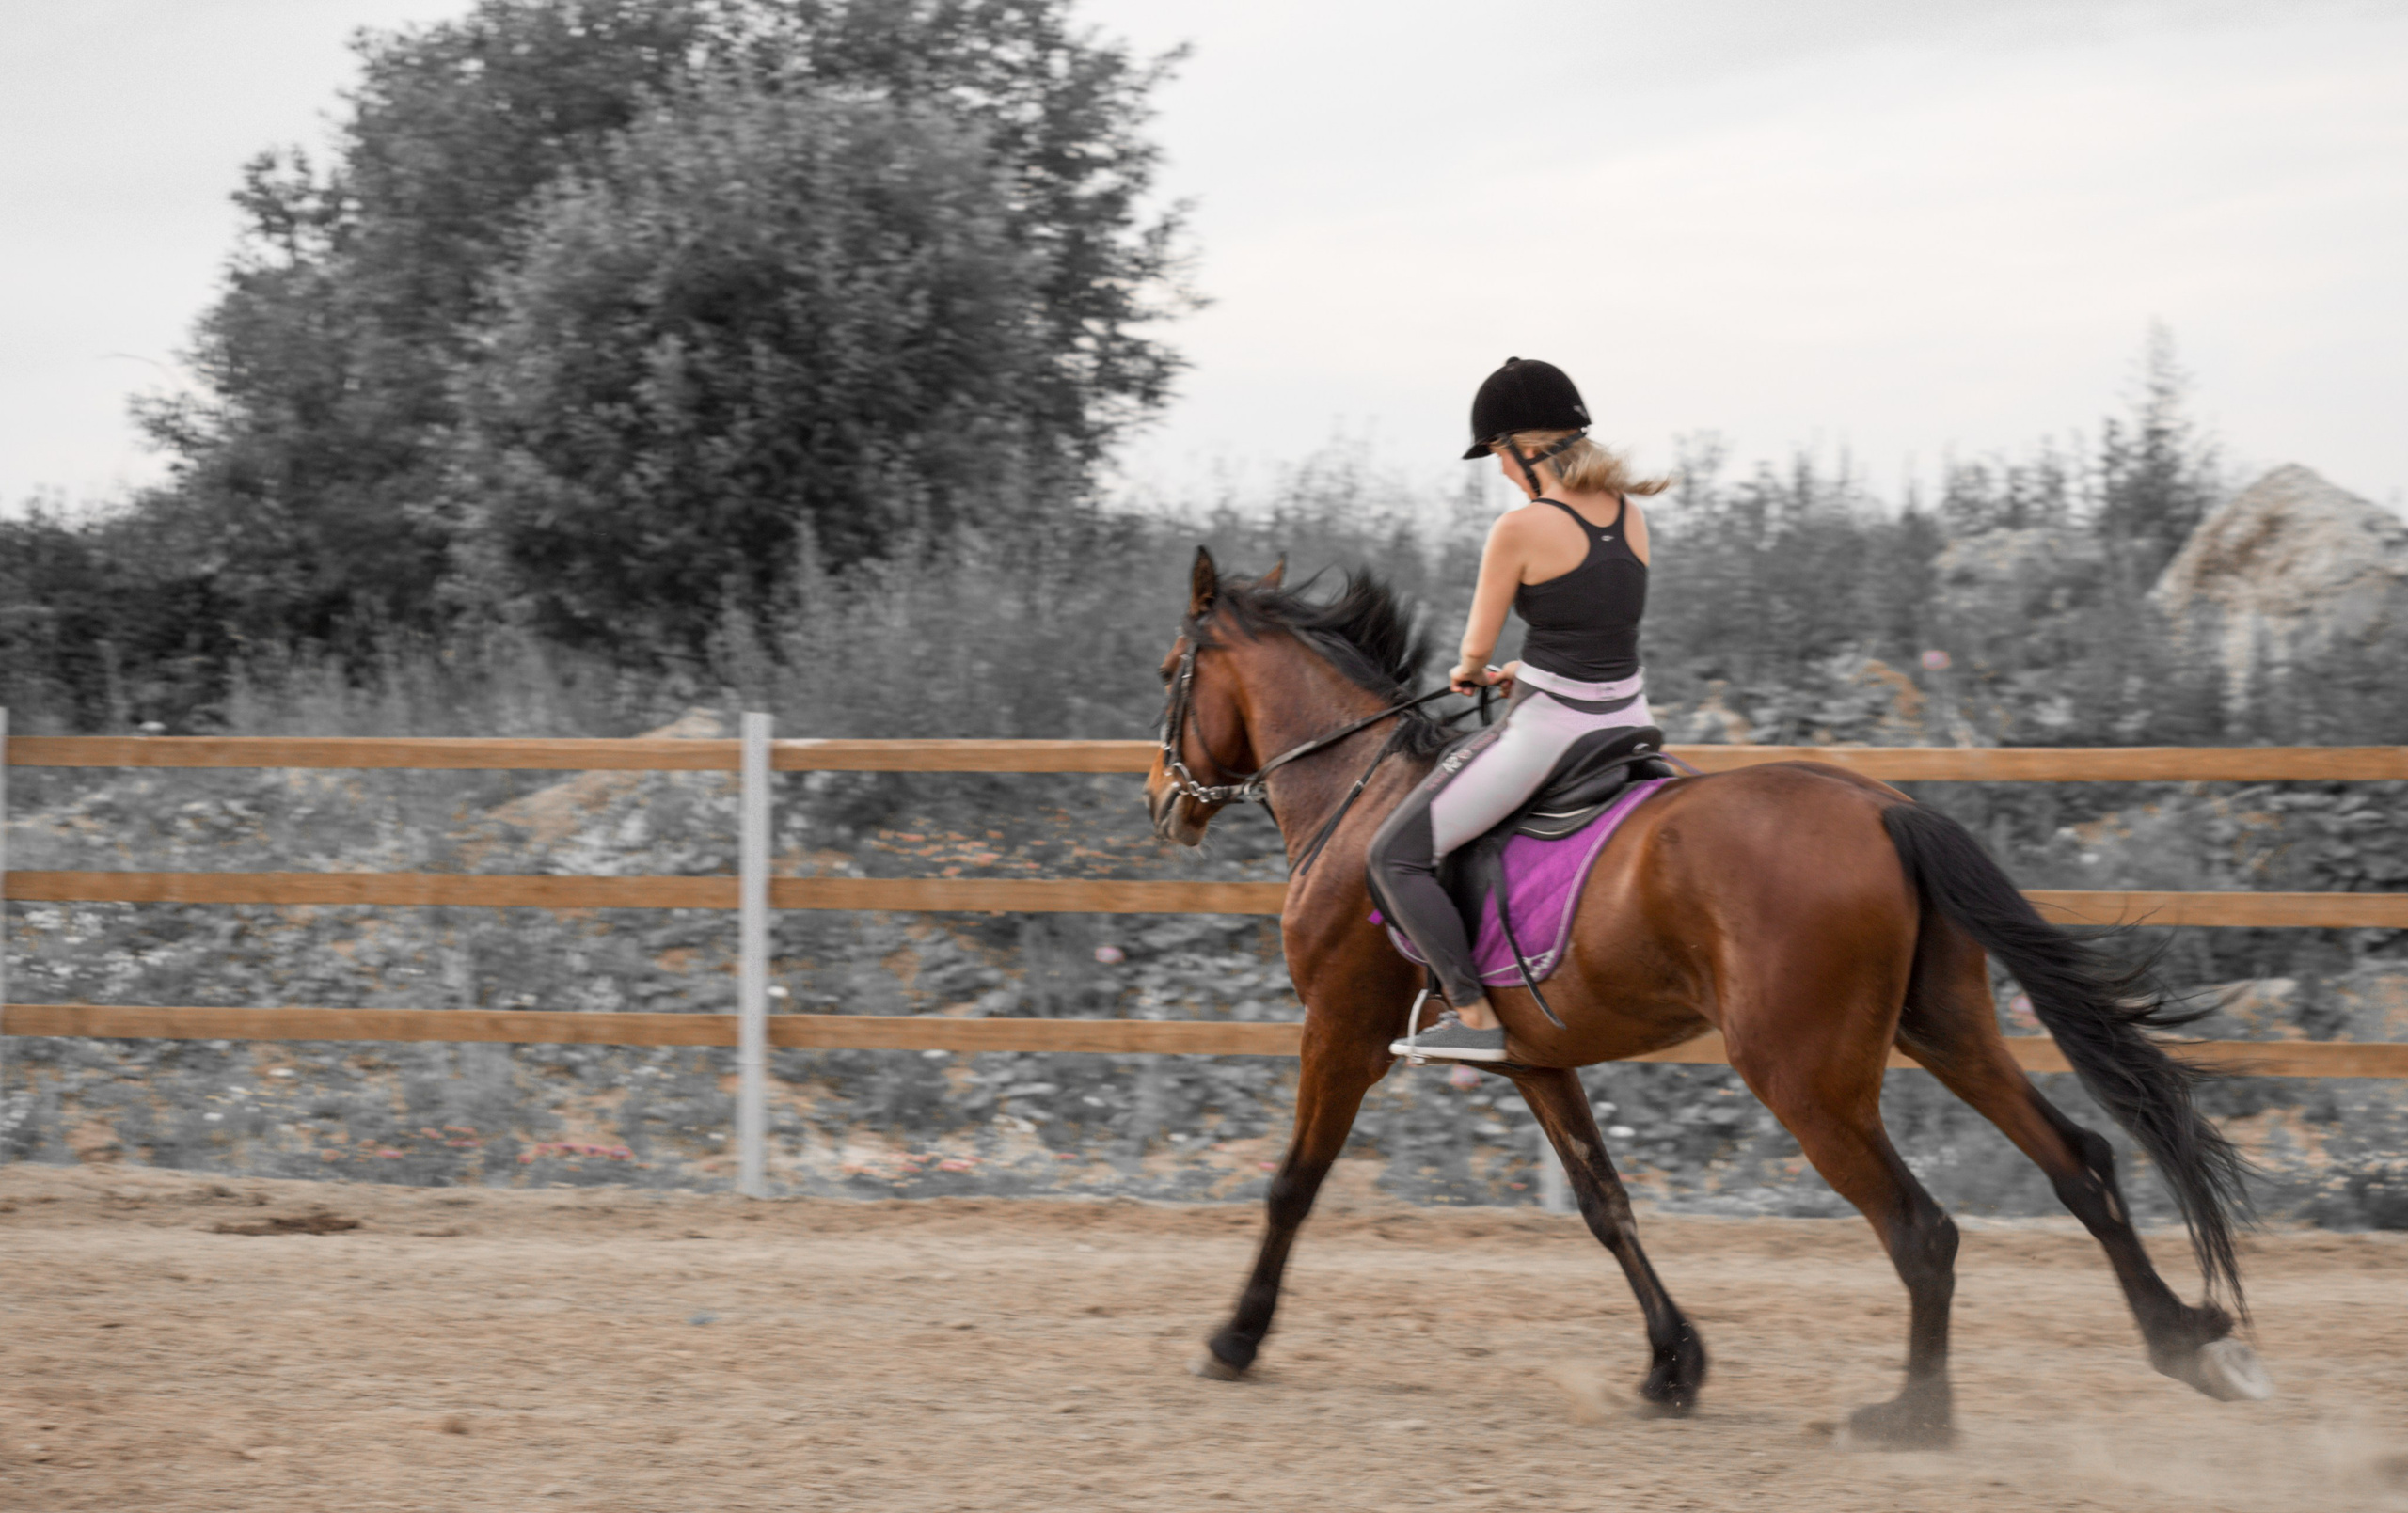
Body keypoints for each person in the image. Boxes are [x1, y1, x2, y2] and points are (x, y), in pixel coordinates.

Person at [1370, 357, 1670, 1063]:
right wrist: (1524, 671)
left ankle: (1475, 1018)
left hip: (1554, 732)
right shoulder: (1631, 515)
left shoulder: (1521, 527)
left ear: (1527, 449)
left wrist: (1475, 671)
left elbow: (1473, 652)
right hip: (1629, 722)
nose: (1501, 472)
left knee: (1395, 855)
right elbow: (1593, 633)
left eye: (1500, 456)